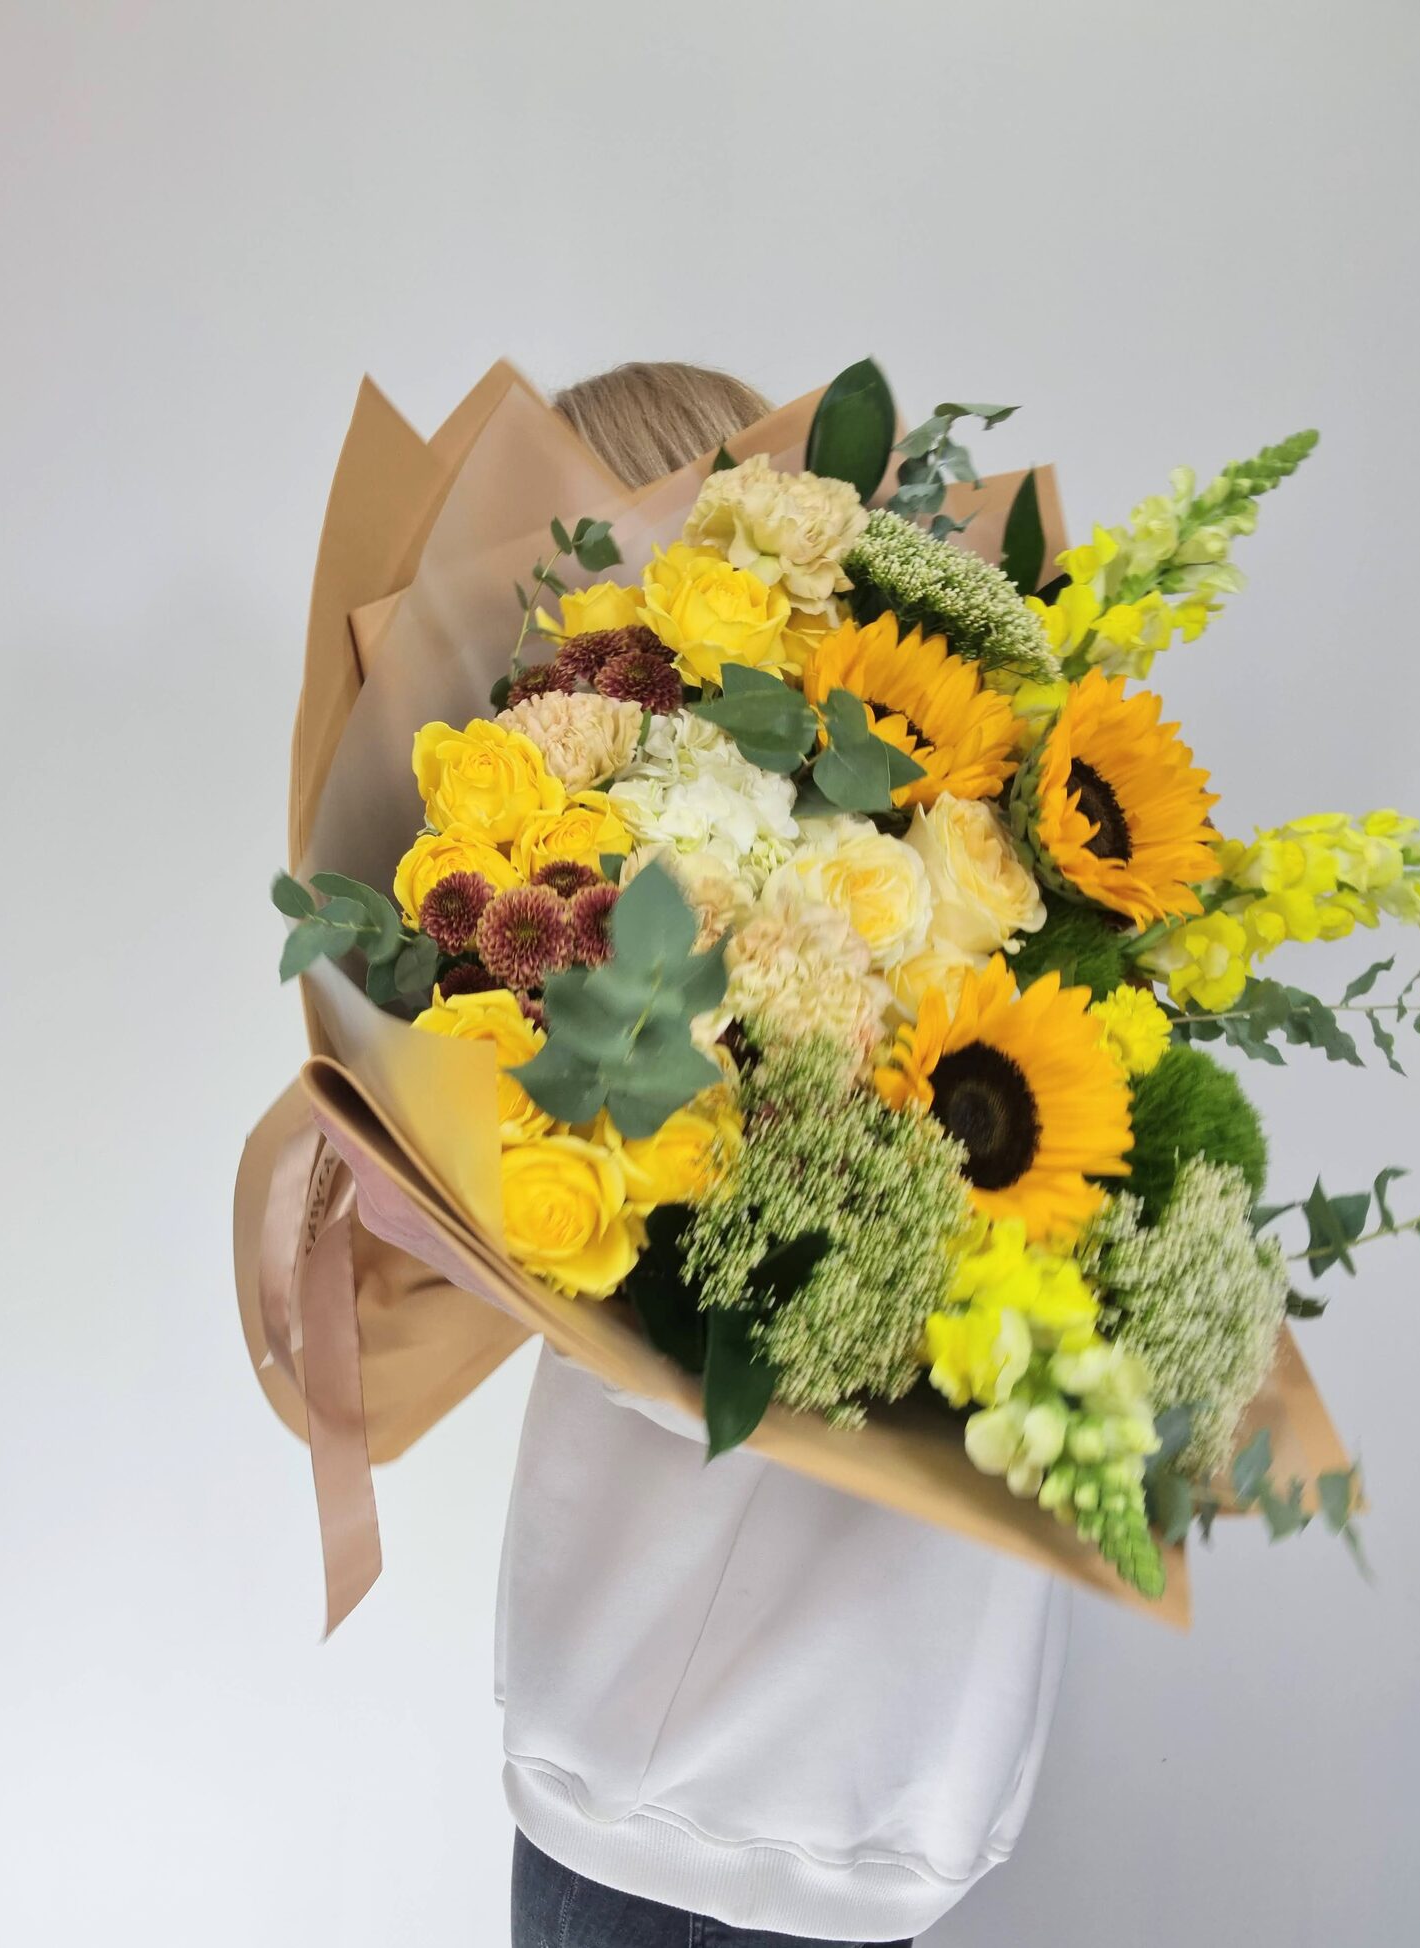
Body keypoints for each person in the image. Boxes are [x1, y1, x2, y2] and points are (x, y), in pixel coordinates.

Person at [500, 362, 1071, 1948]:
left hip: (685, 1797)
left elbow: (691, 1328)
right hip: (877, 1789)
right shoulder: (990, 889)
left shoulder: (722, 895)